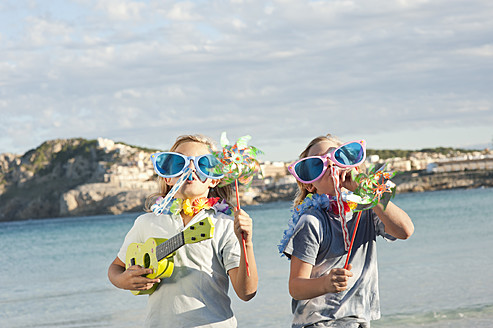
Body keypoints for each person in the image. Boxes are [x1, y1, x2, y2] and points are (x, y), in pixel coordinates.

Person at [108, 134, 258, 328]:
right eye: (179, 163)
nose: (191, 169)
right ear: (167, 176)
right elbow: (115, 268)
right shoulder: (146, 222)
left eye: (203, 164)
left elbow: (246, 293)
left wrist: (246, 243)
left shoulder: (225, 225)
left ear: (214, 179)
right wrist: (123, 280)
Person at [278, 134, 414, 328]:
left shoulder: (367, 209)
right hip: (319, 323)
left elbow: (405, 230)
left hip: (358, 321)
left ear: (351, 166)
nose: (330, 166)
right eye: (317, 165)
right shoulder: (311, 221)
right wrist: (325, 284)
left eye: (337, 157)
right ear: (309, 183)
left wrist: (367, 194)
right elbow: (296, 286)